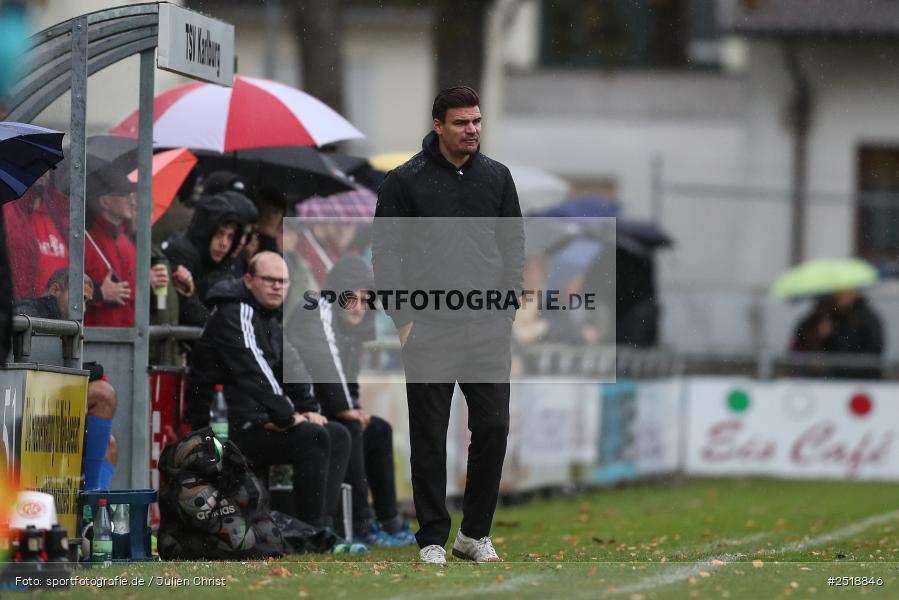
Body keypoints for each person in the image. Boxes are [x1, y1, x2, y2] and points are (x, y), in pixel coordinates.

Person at [372, 86, 524, 564]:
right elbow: (386, 254)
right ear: (438, 125)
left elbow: (514, 247)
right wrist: (403, 321)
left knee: (494, 427)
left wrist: (504, 313)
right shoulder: (404, 181)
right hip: (429, 328)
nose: (472, 129)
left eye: (476, 121)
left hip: (486, 329)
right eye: (461, 122)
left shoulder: (498, 178)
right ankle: (433, 537)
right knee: (429, 435)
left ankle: (474, 534)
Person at [185, 251, 350, 528]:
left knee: (337, 433)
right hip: (221, 428)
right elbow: (255, 372)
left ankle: (320, 527)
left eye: (283, 282)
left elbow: (293, 367)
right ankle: (308, 530)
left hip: (256, 420)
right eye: (269, 280)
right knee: (312, 436)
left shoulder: (267, 318)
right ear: (248, 280)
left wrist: (308, 409)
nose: (277, 287)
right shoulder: (235, 312)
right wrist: (287, 415)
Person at [287, 255, 415, 546]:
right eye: (351, 297)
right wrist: (346, 407)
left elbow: (347, 375)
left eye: (364, 298)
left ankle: (389, 521)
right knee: (352, 428)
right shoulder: (315, 308)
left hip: (326, 409)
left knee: (378, 429)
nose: (358, 306)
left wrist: (353, 406)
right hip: (300, 411)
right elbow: (324, 361)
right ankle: (361, 524)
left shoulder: (351, 329)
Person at [83, 165, 169, 327]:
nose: (131, 199)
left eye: (131, 194)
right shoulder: (86, 243)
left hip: (129, 344)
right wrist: (99, 294)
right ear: (105, 201)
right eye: (123, 193)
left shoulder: (128, 244)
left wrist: (148, 283)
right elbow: (69, 294)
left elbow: (132, 298)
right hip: (95, 345)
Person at [161, 191, 255, 325]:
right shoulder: (182, 252)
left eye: (230, 237)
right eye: (219, 233)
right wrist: (190, 295)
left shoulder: (225, 262)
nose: (224, 243)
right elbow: (190, 317)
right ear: (206, 231)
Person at [790, 290, 884, 379]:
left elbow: (872, 350)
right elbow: (801, 347)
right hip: (830, 378)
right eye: (838, 293)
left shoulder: (866, 318)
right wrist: (818, 336)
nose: (841, 296)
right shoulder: (824, 317)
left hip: (859, 378)